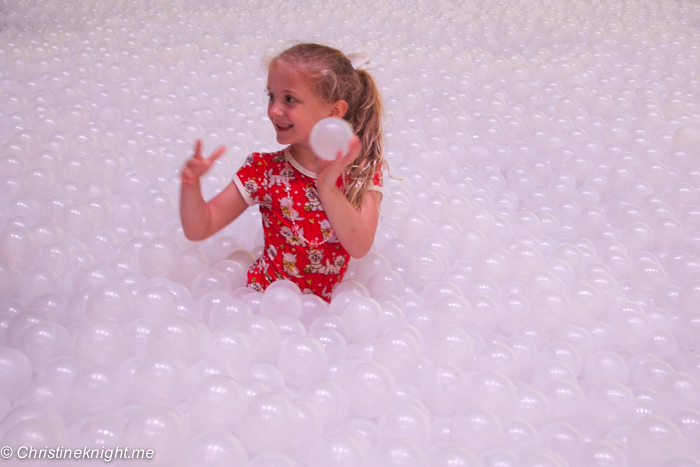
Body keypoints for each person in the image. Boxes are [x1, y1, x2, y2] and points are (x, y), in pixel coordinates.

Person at [179, 43, 386, 302]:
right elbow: (200, 228)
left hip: (326, 313)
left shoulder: (361, 170)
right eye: (271, 96)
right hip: (266, 302)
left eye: (289, 99)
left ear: (333, 111)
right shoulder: (263, 170)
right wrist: (191, 185)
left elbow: (359, 246)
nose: (274, 110)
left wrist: (327, 187)